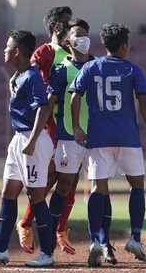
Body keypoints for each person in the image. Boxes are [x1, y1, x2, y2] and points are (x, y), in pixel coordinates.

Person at [69, 23, 146, 267]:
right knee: (136, 184)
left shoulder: (90, 66)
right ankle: (135, 238)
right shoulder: (132, 69)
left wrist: (77, 126)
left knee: (98, 187)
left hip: (98, 137)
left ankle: (95, 242)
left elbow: (74, 95)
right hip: (127, 137)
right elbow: (144, 104)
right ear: (124, 45)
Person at [0, 30, 56, 267]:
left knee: (36, 196)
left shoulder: (32, 77)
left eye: (7, 47)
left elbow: (43, 108)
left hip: (32, 140)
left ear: (17, 51)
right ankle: (0, 250)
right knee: (8, 192)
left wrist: (32, 141)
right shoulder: (20, 76)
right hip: (19, 138)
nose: (4, 50)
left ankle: (47, 253)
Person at [45, 19, 112, 260]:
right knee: (64, 186)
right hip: (68, 136)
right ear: (67, 41)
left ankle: (104, 244)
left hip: (97, 137)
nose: (84, 38)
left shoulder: (98, 65)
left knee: (101, 188)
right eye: (78, 34)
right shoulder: (61, 69)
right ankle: (49, 238)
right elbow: (51, 100)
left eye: (86, 33)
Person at [17, 6, 75, 255]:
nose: (69, 25)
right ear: (54, 26)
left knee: (70, 181)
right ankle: (26, 223)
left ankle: (60, 229)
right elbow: (28, 74)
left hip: (72, 124)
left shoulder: (78, 53)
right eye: (64, 22)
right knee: (49, 177)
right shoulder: (45, 52)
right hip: (50, 124)